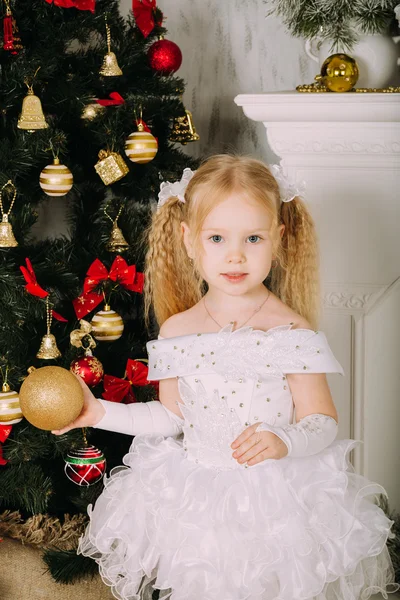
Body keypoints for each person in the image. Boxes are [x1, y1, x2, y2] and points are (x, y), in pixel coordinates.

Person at [53, 155, 399, 600]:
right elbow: (169, 417)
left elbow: (323, 419)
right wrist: (98, 412)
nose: (235, 255)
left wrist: (285, 440)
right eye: (217, 237)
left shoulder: (291, 330)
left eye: (253, 238)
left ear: (278, 238)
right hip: (196, 500)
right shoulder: (178, 330)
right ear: (189, 240)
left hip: (274, 501)